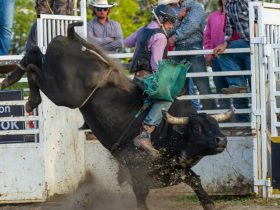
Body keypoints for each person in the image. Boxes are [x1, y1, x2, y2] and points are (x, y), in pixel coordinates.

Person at [124, 4, 177, 157]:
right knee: (167, 98)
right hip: (148, 79)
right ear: (161, 19)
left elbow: (127, 42)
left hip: (137, 78)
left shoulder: (142, 30)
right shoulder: (160, 37)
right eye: (169, 22)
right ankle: (145, 134)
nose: (171, 25)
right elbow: (156, 63)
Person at [79, 0, 124, 130]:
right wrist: (110, 39)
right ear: (95, 10)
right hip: (97, 63)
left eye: (104, 9)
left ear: (108, 10)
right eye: (99, 9)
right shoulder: (89, 25)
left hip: (113, 63)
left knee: (118, 90)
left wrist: (101, 43)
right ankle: (90, 122)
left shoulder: (115, 24)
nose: (102, 11)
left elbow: (120, 43)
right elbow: (92, 43)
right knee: (93, 91)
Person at [168, 0, 216, 110]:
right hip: (180, 49)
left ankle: (211, 115)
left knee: (201, 85)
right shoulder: (176, 9)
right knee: (179, 87)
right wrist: (179, 19)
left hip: (192, 48)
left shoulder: (196, 6)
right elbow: (169, 29)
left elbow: (191, 26)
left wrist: (174, 37)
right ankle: (184, 115)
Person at [213, 0, 250, 122]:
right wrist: (225, 43)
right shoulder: (229, 4)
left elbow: (259, 17)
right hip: (244, 43)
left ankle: (239, 85)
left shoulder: (246, 1)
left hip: (256, 41)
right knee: (223, 53)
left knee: (257, 85)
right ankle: (238, 84)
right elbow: (230, 26)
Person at [203, 0, 231, 109]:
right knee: (221, 88)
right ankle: (227, 120)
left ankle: (241, 117)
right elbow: (207, 37)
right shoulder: (212, 16)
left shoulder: (236, 15)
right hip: (216, 58)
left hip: (233, 58)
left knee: (237, 87)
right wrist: (208, 55)